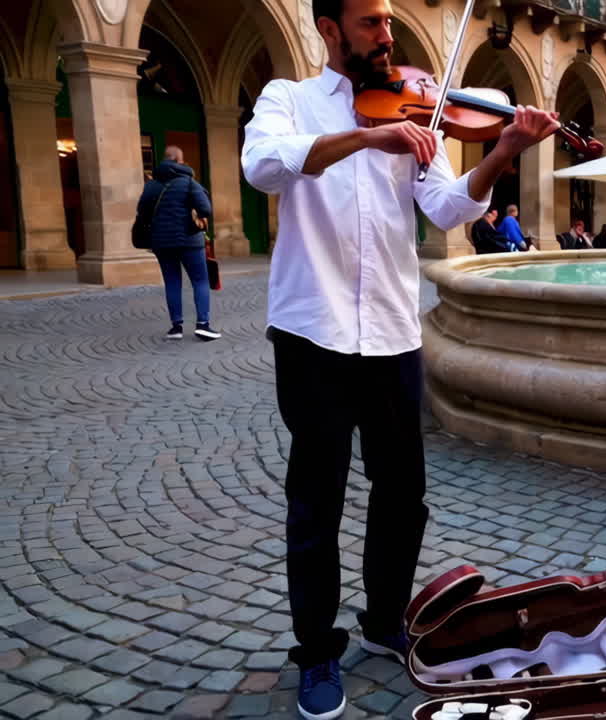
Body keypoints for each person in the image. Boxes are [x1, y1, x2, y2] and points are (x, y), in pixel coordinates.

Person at [239, 1, 560, 717]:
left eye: (389, 22)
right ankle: (317, 652)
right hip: (312, 330)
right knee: (316, 500)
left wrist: (503, 152)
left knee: (402, 492)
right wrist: (364, 137)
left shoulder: (420, 112)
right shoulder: (287, 100)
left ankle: (384, 621)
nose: (388, 35)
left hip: (391, 331)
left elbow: (447, 207)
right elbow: (262, 167)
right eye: (369, 24)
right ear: (328, 30)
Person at [137, 145, 219, 341]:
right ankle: (203, 325)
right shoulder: (189, 182)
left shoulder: (151, 185)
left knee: (172, 282)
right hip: (190, 240)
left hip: (162, 242)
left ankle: (176, 328)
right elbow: (205, 209)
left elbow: (143, 212)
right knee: (200, 280)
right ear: (180, 161)